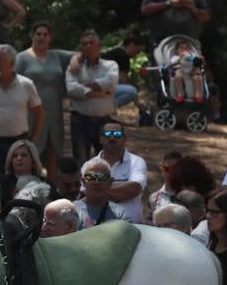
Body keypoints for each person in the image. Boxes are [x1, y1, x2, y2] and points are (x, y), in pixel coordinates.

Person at [16, 22, 76, 177]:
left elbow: (80, 54)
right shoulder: (21, 58)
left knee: (54, 154)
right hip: (30, 114)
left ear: (50, 38)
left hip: (54, 113)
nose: (41, 37)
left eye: (45, 34)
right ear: (32, 36)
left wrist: (75, 62)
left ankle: (52, 191)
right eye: (38, 34)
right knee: (30, 154)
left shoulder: (57, 56)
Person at [65, 30, 119, 165]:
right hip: (80, 121)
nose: (88, 46)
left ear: (99, 46)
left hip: (105, 122)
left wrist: (85, 86)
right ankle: (83, 186)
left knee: (107, 160)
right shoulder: (74, 68)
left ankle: (107, 186)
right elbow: (72, 89)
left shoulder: (110, 65)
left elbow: (110, 83)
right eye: (84, 44)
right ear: (81, 48)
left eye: (91, 43)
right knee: (81, 160)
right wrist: (97, 93)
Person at [95, 119, 146, 224]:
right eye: (108, 134)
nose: (112, 138)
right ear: (101, 139)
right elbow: (87, 194)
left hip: (132, 227)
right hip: (99, 228)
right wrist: (118, 192)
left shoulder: (137, 162)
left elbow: (134, 189)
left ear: (124, 139)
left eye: (117, 134)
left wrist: (97, 188)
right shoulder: (89, 165)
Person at [72, 159, 128, 228]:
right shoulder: (72, 211)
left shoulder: (120, 214)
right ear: (83, 182)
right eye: (91, 177)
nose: (97, 182)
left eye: (102, 177)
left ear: (110, 182)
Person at [101, 34, 143, 108]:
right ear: (132, 45)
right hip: (100, 86)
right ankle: (104, 110)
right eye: (137, 51)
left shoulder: (115, 53)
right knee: (132, 92)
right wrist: (137, 103)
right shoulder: (123, 56)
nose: (137, 54)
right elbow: (122, 80)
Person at [0, 139, 45, 205]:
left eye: (24, 155)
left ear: (33, 161)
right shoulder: (2, 182)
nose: (19, 158)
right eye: (15, 156)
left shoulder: (45, 183)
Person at [147, 150, 183, 215]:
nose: (170, 173)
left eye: (174, 169)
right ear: (162, 169)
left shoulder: (189, 196)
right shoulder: (154, 198)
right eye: (166, 169)